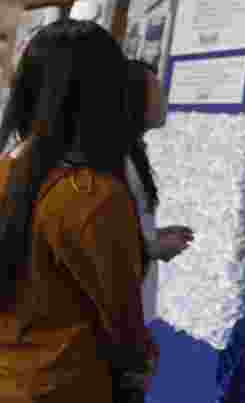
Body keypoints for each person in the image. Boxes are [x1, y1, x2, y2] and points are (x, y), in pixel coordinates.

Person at [0, 20, 157, 402]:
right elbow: (122, 317)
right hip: (67, 384)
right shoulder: (93, 196)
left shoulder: (7, 172)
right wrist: (141, 363)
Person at [123, 60, 193, 267]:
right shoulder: (115, 162)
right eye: (158, 92)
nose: (165, 99)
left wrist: (154, 234)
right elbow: (99, 241)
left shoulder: (133, 153)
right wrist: (153, 248)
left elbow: (120, 228)